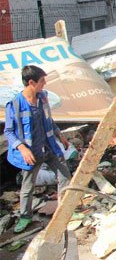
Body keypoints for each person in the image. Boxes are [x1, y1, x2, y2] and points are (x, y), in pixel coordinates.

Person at [5, 65, 71, 233]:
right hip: (31, 153)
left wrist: (59, 134)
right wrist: (22, 149)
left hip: (48, 147)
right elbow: (9, 131)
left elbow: (49, 120)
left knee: (64, 175)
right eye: (42, 81)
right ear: (31, 82)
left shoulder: (42, 98)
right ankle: (25, 217)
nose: (45, 83)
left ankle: (65, 210)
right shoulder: (14, 104)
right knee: (28, 188)